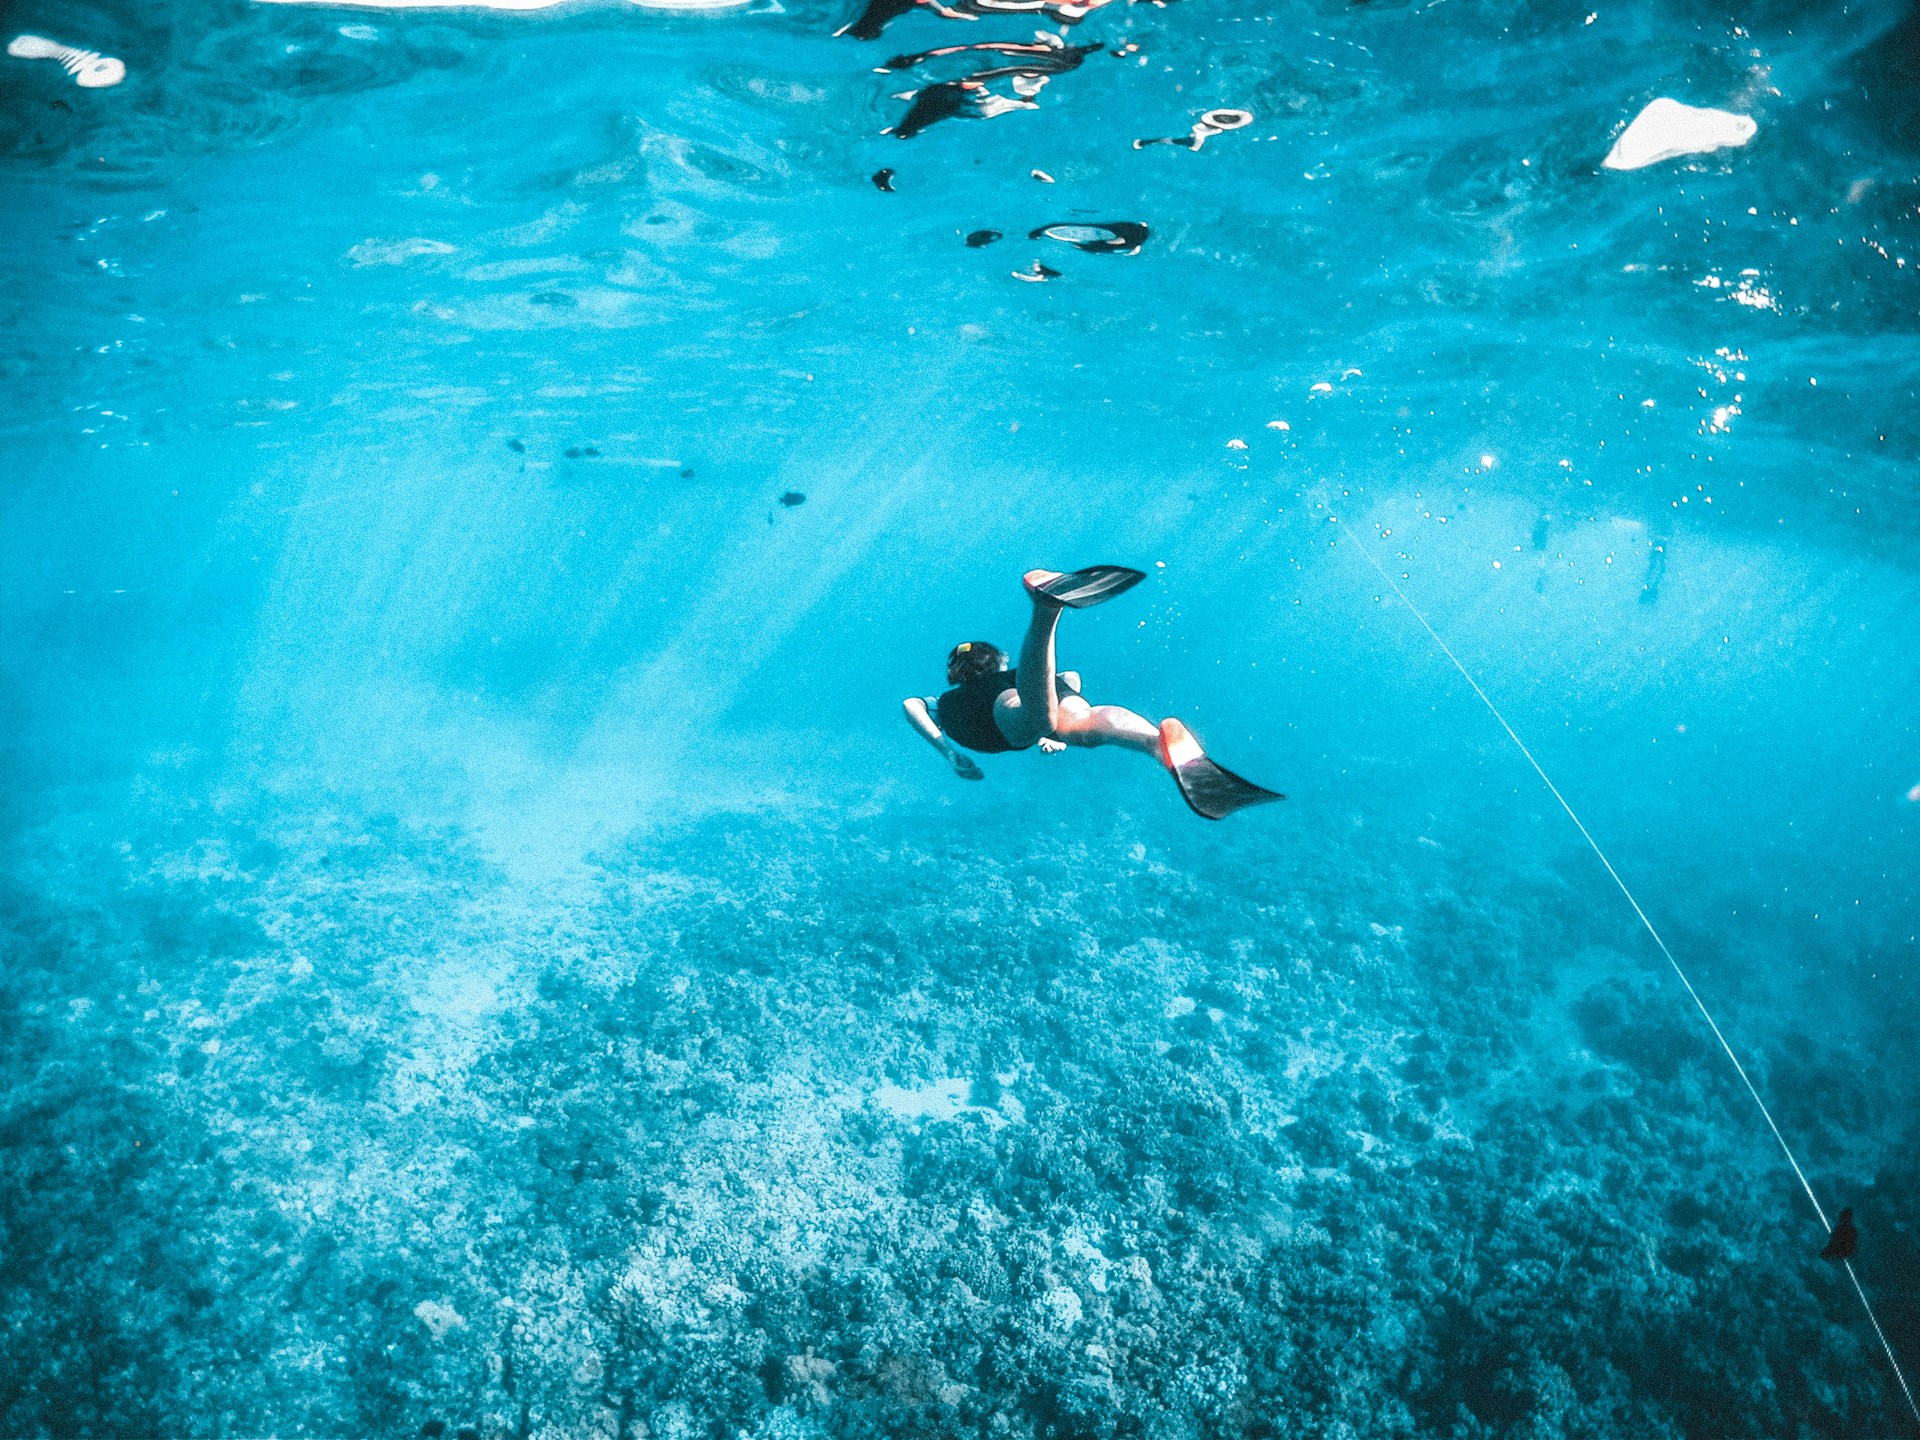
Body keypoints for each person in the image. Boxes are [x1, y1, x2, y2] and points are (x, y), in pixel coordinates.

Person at [901, 567, 1283, 819]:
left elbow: (911, 704)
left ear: (957, 673)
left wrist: (949, 752)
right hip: (1030, 689)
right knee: (1085, 724)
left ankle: (1046, 609)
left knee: (1038, 719)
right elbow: (1070, 676)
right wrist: (1055, 728)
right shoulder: (1010, 675)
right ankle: (1155, 743)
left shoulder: (951, 699)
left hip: (992, 716)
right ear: (997, 663)